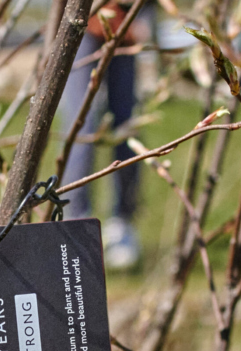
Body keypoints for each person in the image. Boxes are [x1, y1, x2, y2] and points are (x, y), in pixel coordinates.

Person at [61, 3, 144, 270]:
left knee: (126, 124)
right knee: (81, 127)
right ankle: (76, 221)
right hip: (80, 26)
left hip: (123, 26)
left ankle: (122, 222)